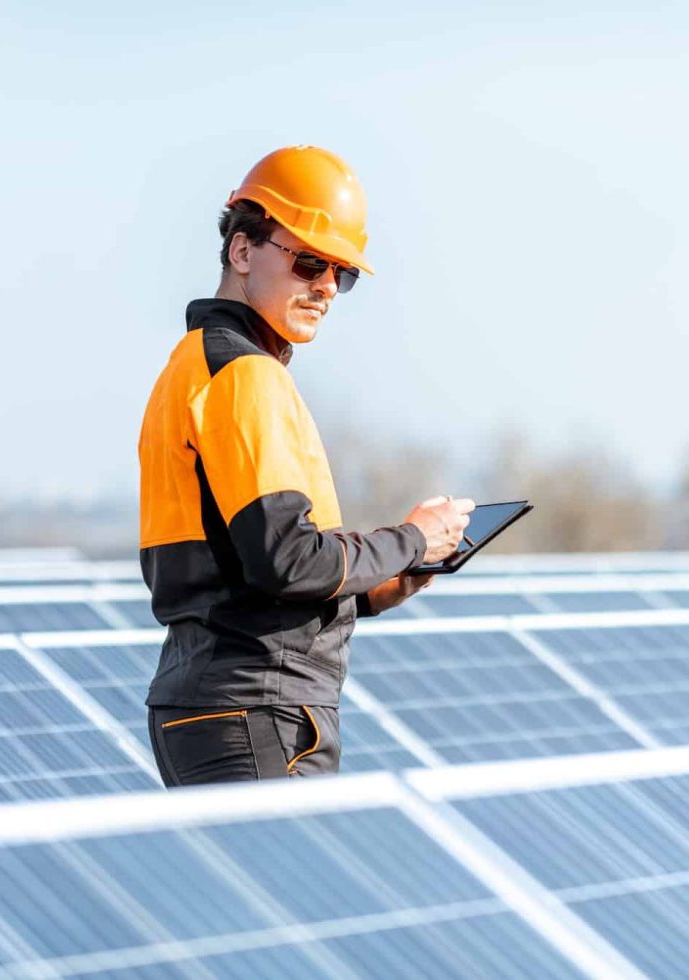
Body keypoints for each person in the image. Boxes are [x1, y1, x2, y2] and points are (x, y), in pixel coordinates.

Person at [139, 145, 473, 785]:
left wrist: (394, 575)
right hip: (256, 708)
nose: (324, 287)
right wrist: (410, 539)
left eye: (340, 275)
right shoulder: (243, 375)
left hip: (216, 702)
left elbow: (250, 577)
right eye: (309, 262)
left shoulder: (193, 366)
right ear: (242, 251)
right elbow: (288, 560)